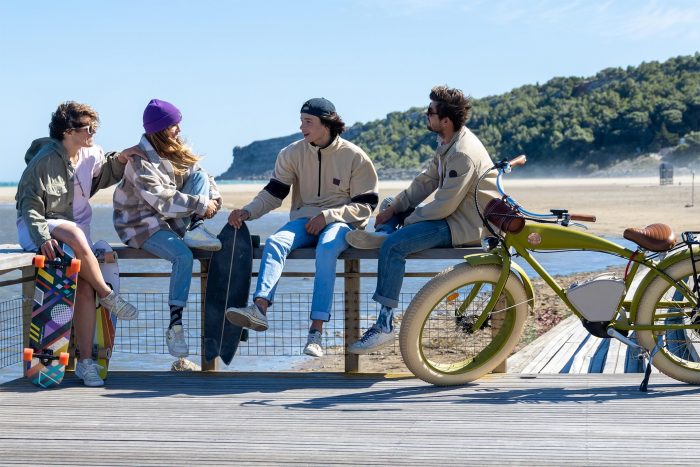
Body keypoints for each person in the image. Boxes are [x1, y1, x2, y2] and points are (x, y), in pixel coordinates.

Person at [344, 85, 500, 354]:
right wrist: (396, 210)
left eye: (430, 112)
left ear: (445, 120)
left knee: (394, 247)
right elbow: (425, 182)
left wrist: (408, 221)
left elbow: (443, 206)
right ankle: (384, 234)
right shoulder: (447, 142)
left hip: (463, 225)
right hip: (451, 215)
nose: (425, 116)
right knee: (391, 202)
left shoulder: (462, 153)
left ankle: (384, 326)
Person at [226, 98, 378, 358]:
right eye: (301, 120)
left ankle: (315, 333)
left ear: (326, 124)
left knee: (328, 247)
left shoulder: (355, 157)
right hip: (303, 220)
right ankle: (259, 308)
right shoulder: (292, 153)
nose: (301, 127)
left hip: (339, 224)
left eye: (308, 121)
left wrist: (329, 215)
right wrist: (248, 211)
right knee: (275, 242)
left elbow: (366, 206)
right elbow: (274, 193)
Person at [16, 101, 142, 387]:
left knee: (83, 287)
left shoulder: (89, 154)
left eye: (95, 127)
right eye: (89, 128)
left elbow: (104, 172)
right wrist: (43, 238)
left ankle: (86, 363)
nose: (94, 133)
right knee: (73, 232)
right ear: (69, 131)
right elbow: (29, 204)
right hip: (39, 228)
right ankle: (108, 295)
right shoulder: (45, 160)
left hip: (75, 236)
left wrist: (121, 159)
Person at [113, 99, 223, 358]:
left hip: (171, 220)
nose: (179, 130)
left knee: (197, 176)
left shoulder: (176, 150)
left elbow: (204, 177)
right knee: (183, 255)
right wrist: (201, 204)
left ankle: (195, 228)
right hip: (140, 225)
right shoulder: (140, 161)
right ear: (161, 129)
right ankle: (175, 326)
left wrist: (213, 198)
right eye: (174, 125)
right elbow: (162, 200)